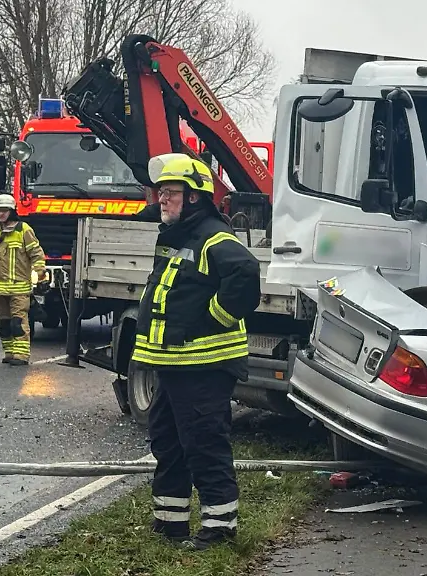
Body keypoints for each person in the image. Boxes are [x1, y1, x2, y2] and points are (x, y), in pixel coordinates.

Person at [130, 155, 260, 551]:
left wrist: (214, 317)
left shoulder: (213, 236)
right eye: (160, 192)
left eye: (169, 193)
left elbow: (246, 274)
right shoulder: (178, 235)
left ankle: (220, 529)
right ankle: (170, 523)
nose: (162, 200)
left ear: (193, 198)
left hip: (204, 364)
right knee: (168, 443)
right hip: (174, 364)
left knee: (204, 445)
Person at [0, 194, 47, 366]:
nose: (1, 214)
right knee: (4, 323)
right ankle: (9, 352)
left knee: (18, 322)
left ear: (12, 211)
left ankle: (21, 355)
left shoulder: (23, 229)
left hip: (19, 287)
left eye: (4, 210)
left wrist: (41, 276)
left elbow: (36, 254)